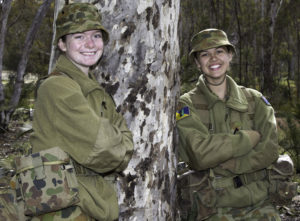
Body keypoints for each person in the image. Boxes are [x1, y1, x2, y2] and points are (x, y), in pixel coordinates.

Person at [29, 3, 133, 220]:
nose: (90, 44)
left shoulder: (96, 92)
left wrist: (117, 144)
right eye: (78, 36)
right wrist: (117, 142)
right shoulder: (57, 87)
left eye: (96, 35)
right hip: (64, 209)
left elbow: (126, 144)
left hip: (91, 203)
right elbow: (105, 148)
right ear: (62, 44)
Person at [176, 28, 281, 220]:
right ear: (198, 63)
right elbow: (199, 154)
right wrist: (249, 139)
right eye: (205, 54)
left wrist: (234, 163)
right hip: (213, 208)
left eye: (219, 51)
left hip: (260, 202)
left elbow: (270, 149)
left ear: (230, 55)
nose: (213, 59)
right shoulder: (186, 104)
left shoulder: (254, 100)